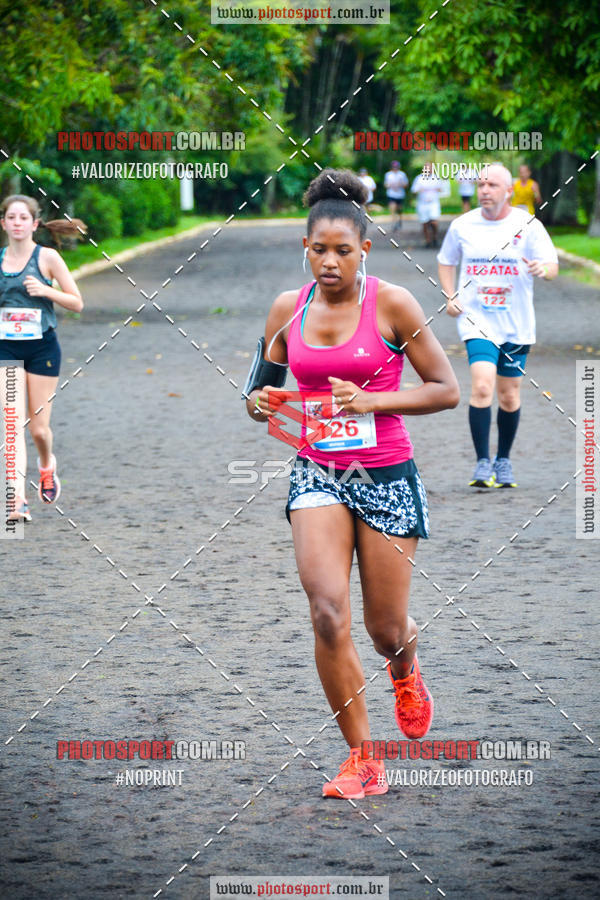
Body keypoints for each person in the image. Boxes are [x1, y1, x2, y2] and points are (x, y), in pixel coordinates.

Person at [244, 169, 459, 799]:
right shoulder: (288, 308)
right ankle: (362, 758)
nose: (329, 262)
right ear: (304, 250)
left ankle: (405, 667)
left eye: (343, 250)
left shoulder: (393, 304)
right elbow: (258, 388)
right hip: (318, 469)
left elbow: (445, 390)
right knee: (327, 611)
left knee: (385, 626)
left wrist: (372, 401)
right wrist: (261, 403)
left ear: (365, 249)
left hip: (386, 471)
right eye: (319, 250)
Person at [437, 163, 558, 488]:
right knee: (482, 386)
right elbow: (446, 260)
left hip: (516, 323)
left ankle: (503, 461)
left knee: (508, 395)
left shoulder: (527, 224)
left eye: (491, 185)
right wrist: (450, 296)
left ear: (508, 191)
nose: (484, 191)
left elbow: (552, 265)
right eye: (481, 185)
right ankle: (481, 464)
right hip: (477, 321)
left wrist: (542, 269)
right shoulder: (463, 225)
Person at [0, 195, 84, 522]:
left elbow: (77, 303)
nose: (18, 222)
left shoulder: (47, 258)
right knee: (10, 426)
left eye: (24, 218)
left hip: (42, 349)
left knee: (38, 430)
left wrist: (46, 290)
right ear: (4, 223)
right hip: (5, 348)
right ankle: (17, 500)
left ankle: (46, 465)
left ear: (34, 224)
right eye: (12, 217)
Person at [411, 163, 444, 248]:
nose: (428, 170)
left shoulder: (436, 178)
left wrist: (437, 189)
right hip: (422, 203)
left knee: (434, 222)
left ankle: (435, 237)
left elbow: (442, 189)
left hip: (433, 203)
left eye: (429, 169)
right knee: (425, 223)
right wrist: (419, 189)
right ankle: (428, 241)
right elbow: (414, 190)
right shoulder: (419, 178)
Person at [383, 160, 409, 231]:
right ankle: (394, 224)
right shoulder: (388, 174)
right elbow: (386, 184)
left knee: (399, 209)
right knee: (392, 209)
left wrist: (400, 184)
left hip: (400, 195)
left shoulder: (402, 174)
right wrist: (389, 185)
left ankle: (399, 220)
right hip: (391, 194)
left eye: (396, 167)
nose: (395, 168)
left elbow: (406, 184)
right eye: (394, 167)